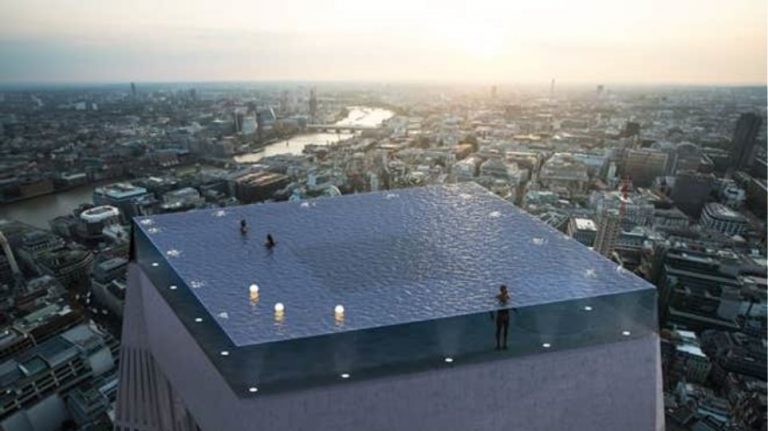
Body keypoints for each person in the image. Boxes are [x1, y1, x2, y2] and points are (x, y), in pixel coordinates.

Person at [495, 284, 510, 350]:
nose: (506, 290)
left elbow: (509, 304)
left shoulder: (507, 297)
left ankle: (504, 344)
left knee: (505, 330)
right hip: (501, 314)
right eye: (504, 289)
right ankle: (498, 344)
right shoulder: (499, 297)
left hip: (505, 314)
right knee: (499, 330)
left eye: (505, 289)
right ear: (501, 290)